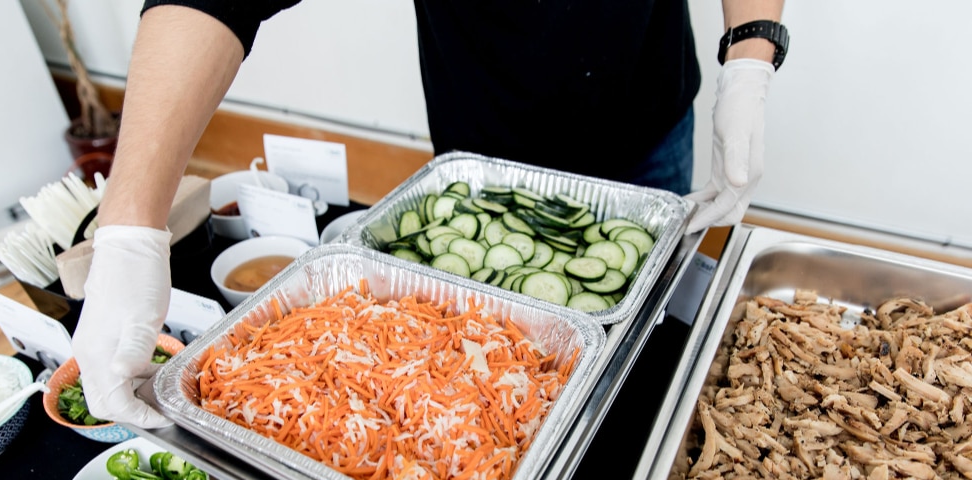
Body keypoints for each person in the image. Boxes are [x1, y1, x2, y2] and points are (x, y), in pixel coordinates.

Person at [72, 0, 787, 429]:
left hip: (645, 110)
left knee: (629, 377)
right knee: (494, 379)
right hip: (481, 132)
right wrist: (131, 225)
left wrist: (751, 51)